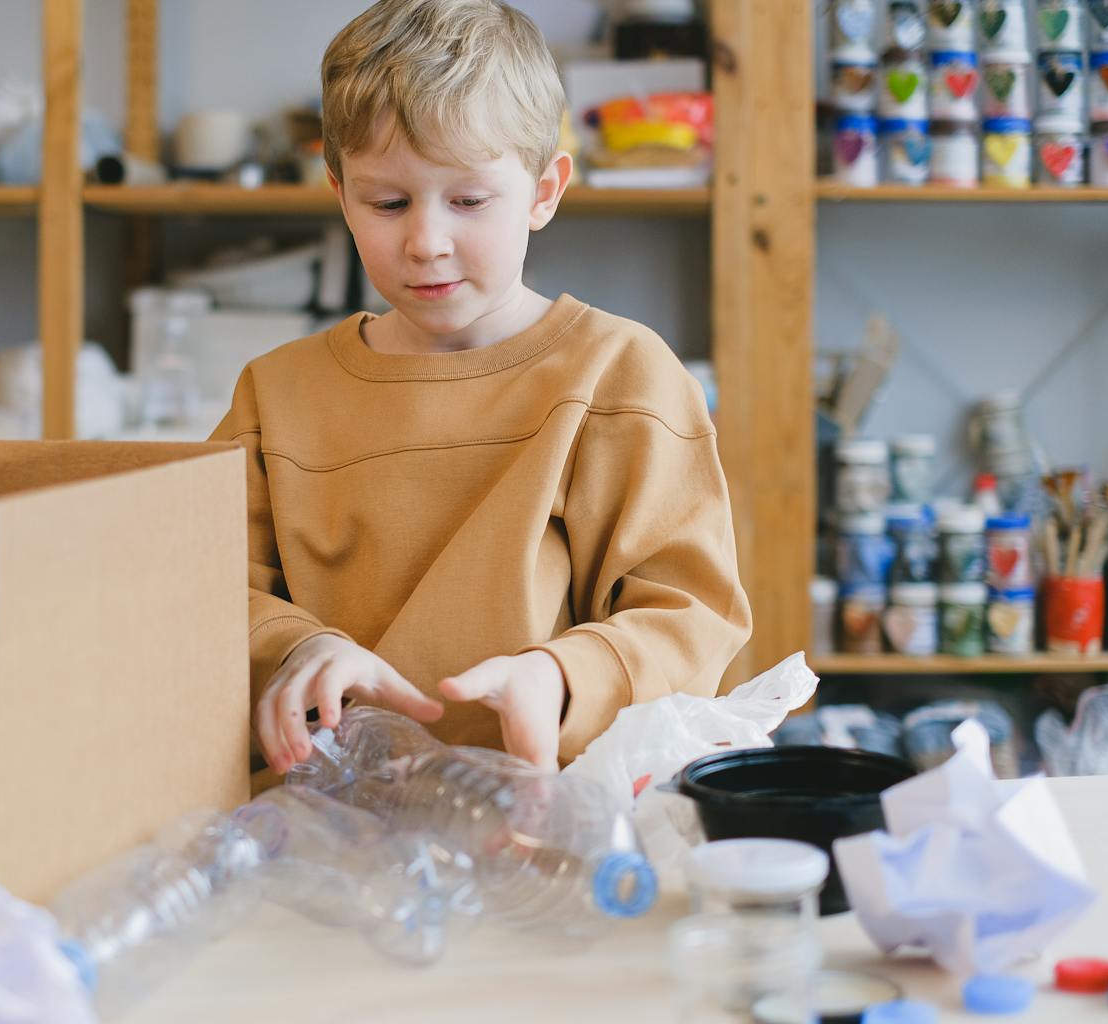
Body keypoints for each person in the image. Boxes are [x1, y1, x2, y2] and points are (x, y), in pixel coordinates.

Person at [210, 0, 751, 783]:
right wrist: (295, 647)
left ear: (543, 191)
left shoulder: (621, 375)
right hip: (325, 827)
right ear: (339, 191)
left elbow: (691, 618)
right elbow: (206, 588)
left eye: (468, 201)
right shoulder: (276, 394)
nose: (426, 241)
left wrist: (563, 678)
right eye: (387, 202)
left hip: (546, 820)